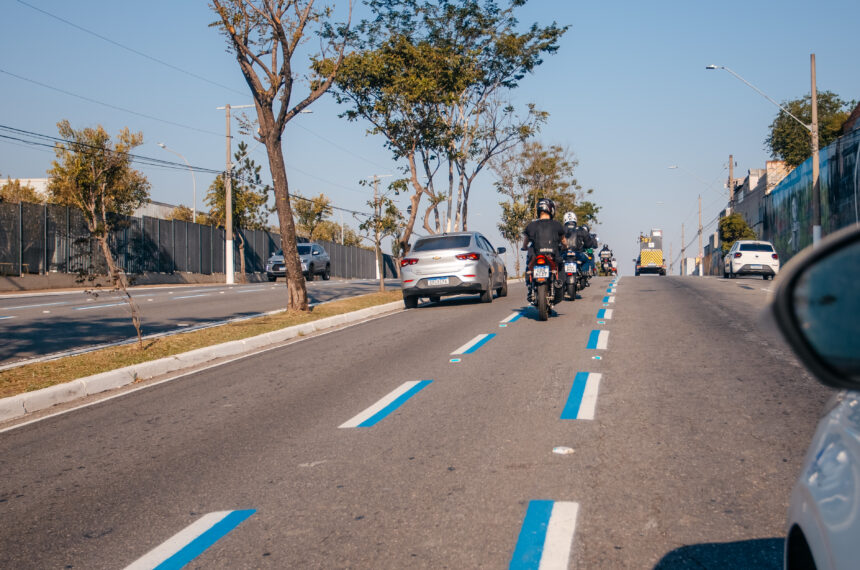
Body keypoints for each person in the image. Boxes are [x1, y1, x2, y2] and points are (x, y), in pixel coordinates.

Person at [522, 198, 566, 300]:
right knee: (561, 267)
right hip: (552, 256)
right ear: (551, 210)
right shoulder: (557, 225)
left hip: (536, 256)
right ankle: (559, 285)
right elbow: (563, 241)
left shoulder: (531, 225)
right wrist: (565, 247)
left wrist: (524, 247)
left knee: (529, 268)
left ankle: (530, 287)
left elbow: (526, 241)